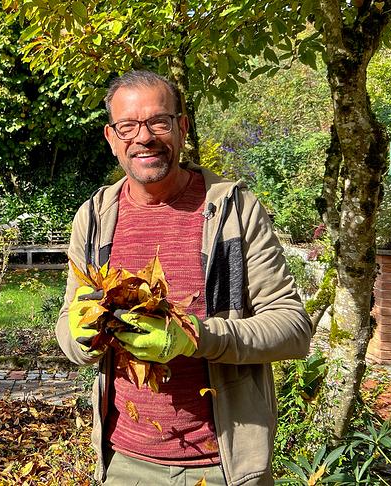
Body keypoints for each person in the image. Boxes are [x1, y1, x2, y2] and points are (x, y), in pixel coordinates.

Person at [56, 70, 313, 485]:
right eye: (128, 126)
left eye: (159, 122)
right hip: (124, 463)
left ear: (182, 127)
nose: (144, 137)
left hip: (225, 465)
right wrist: (82, 336)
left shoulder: (233, 210)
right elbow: (69, 324)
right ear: (111, 138)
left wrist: (197, 336)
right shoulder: (94, 218)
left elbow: (293, 328)